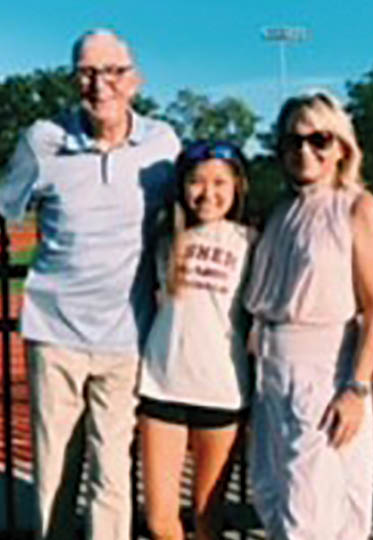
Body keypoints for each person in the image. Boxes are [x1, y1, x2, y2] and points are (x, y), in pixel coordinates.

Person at [0, 29, 180, 540]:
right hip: (55, 334)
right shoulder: (43, 139)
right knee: (55, 470)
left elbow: (195, 210)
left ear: (135, 79)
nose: (100, 85)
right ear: (73, 78)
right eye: (86, 72)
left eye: (113, 72)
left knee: (112, 476)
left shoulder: (162, 145)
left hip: (128, 337)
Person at [244, 91, 373, 539]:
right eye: (292, 141)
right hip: (269, 375)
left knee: (307, 517)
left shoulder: (359, 209)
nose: (304, 150)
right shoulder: (280, 211)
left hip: (324, 375)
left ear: (342, 147)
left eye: (319, 139)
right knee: (273, 499)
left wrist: (357, 389)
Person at [136, 140, 255, 540]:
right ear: (182, 188)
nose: (207, 192)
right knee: (158, 519)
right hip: (161, 386)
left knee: (208, 516)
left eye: (220, 182)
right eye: (196, 182)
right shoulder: (165, 240)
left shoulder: (249, 242)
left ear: (237, 186)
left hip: (221, 390)